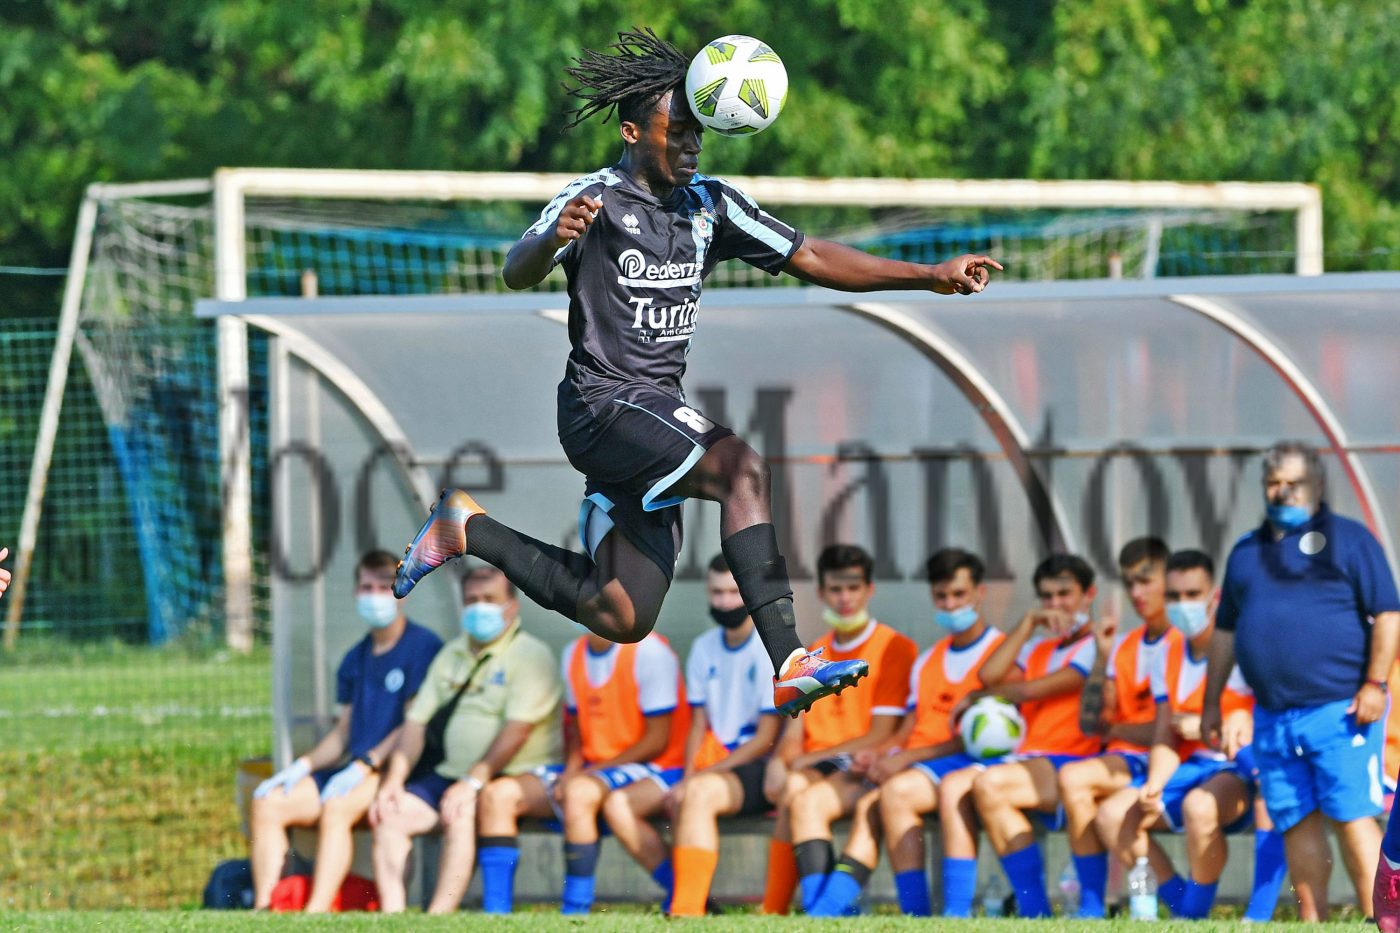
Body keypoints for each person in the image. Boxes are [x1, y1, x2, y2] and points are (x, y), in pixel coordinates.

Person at [388, 27, 1001, 719]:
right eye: (676, 132)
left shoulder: (711, 204)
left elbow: (813, 256)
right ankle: (791, 660)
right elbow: (514, 268)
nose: (691, 144)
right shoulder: (594, 198)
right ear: (630, 132)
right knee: (741, 468)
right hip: (601, 404)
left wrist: (929, 275)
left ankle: (467, 528)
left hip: (650, 417)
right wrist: (554, 238)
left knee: (622, 613)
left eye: (697, 133)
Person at [1202, 441, 1400, 922]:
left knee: (1352, 816)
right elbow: (1225, 633)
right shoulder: (1245, 552)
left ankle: (1383, 921)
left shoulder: (1350, 540)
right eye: (1274, 482)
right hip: (1273, 716)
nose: (1283, 491)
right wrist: (1211, 703)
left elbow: (1388, 615)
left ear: (1318, 485)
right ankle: (1314, 922)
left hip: (1342, 709)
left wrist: (1374, 685)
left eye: (1295, 482)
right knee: (1294, 821)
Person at [804, 547, 1005, 917]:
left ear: (980, 593)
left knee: (896, 793)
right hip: (920, 766)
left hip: (966, 765)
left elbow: (990, 738)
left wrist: (906, 759)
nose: (950, 604)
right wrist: (880, 754)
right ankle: (830, 911)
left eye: (959, 594)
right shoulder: (928, 660)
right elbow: (908, 731)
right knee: (870, 804)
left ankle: (948, 914)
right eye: (941, 596)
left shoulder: (1001, 654)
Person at [248, 550, 442, 911]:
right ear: (355, 593)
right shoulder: (355, 658)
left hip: (395, 772)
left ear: (402, 592)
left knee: (336, 807)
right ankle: (265, 911)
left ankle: (316, 914)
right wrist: (302, 766)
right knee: (267, 804)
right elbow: (342, 734)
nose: (374, 596)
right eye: (367, 588)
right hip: (352, 769)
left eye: (384, 587)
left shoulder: (424, 647)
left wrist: (366, 764)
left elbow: (413, 724)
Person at [369, 566, 562, 913]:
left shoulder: (532, 656)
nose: (479, 607)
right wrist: (393, 781)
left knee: (460, 812)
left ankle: (439, 917)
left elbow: (517, 731)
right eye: (472, 600)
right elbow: (415, 724)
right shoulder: (452, 653)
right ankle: (393, 917)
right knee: (390, 816)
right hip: (450, 774)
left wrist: (472, 782)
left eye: (489, 599)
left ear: (512, 607)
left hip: (508, 777)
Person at [1096, 549, 1275, 920]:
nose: (1182, 605)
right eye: (1174, 596)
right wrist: (1155, 783)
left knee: (1199, 806)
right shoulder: (1166, 654)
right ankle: (1181, 907)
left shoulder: (1245, 648)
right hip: (1189, 767)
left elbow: (1271, 718)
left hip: (1241, 771)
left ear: (1215, 597)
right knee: (1112, 815)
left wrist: (1222, 726)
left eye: (1193, 595)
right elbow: (1166, 736)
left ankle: (1196, 912)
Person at [474, 628, 688, 914]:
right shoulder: (573, 653)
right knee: (498, 795)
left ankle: (576, 912)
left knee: (578, 793)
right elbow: (576, 732)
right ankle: (495, 913)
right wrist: (572, 771)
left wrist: (585, 775)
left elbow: (657, 740)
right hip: (593, 769)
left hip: (656, 766)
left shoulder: (649, 651)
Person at [760, 544, 918, 914]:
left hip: (864, 765)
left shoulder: (895, 647)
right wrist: (780, 762)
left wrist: (805, 761)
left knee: (801, 794)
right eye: (836, 589)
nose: (845, 598)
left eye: (853, 587)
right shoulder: (813, 654)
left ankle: (805, 910)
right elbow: (794, 734)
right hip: (822, 767)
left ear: (869, 589)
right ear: (821, 592)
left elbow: (882, 733)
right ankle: (802, 910)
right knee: (792, 786)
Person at [622, 554, 783, 917]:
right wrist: (691, 774)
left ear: (750, 593)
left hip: (756, 767)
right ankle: (691, 899)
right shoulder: (704, 647)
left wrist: (698, 779)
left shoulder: (768, 648)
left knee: (696, 794)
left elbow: (765, 738)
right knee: (625, 804)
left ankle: (685, 910)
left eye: (733, 593)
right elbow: (698, 724)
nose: (725, 602)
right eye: (717, 593)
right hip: (711, 766)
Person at [964, 553, 1103, 919]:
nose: (1055, 605)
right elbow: (988, 675)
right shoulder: (1038, 648)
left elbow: (1030, 691)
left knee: (990, 785)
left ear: (1089, 595)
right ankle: (1032, 910)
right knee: (965, 788)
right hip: (1029, 760)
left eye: (1064, 594)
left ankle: (1059, 909)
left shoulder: (1099, 645)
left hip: (1075, 760)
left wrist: (978, 698)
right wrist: (1027, 623)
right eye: (1046, 597)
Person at [1055, 537, 1181, 918]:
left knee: (1080, 784)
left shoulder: (1185, 643)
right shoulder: (1124, 646)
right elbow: (1094, 724)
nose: (1136, 593)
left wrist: (1120, 730)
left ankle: (1100, 905)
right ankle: (1097, 907)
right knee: (1080, 789)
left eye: (1145, 580)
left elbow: (1170, 730)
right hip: (1126, 761)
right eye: (1129, 583)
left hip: (1173, 762)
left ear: (1169, 579)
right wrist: (1101, 657)